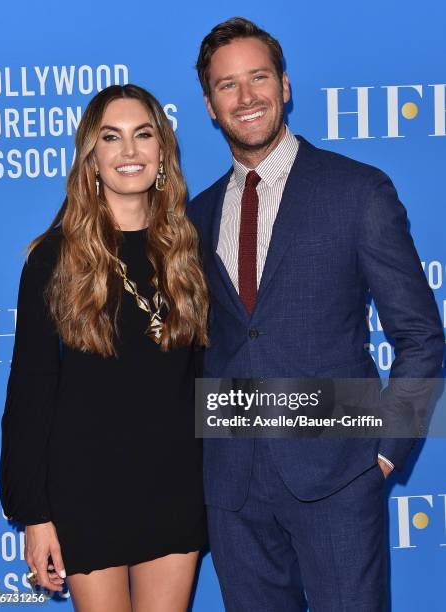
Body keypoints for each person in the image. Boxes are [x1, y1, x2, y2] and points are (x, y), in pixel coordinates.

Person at [188, 17, 444, 611]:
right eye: (228, 85)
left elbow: (420, 335)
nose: (246, 96)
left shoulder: (357, 191)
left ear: (285, 85)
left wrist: (383, 450)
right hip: (232, 487)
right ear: (209, 104)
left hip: (338, 473)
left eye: (258, 77)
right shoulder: (194, 217)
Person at [0, 84, 209, 612]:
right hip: (86, 490)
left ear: (163, 151)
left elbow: (209, 375)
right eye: (111, 138)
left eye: (143, 135)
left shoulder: (189, 251)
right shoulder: (54, 258)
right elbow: (30, 391)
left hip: (174, 483)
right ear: (91, 157)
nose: (129, 151)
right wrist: (36, 515)